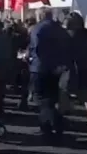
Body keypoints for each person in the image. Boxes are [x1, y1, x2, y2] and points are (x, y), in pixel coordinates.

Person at [28, 7, 71, 141]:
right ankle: (55, 125)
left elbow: (36, 48)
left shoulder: (38, 28)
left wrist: (30, 57)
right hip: (55, 68)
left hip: (40, 68)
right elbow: (67, 47)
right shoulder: (59, 29)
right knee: (52, 98)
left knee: (42, 100)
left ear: (40, 15)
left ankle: (48, 127)